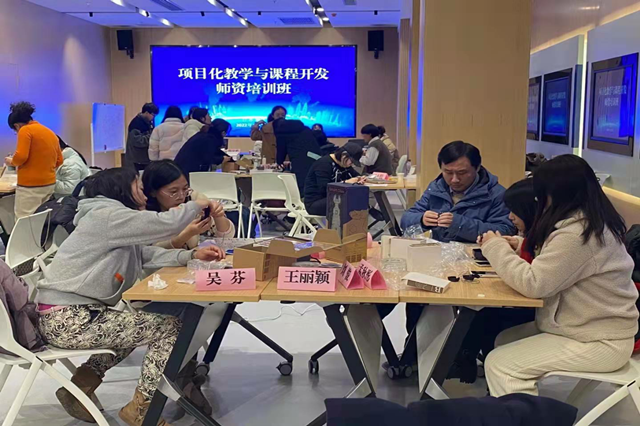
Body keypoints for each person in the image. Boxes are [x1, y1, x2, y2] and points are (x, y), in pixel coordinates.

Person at [35, 167, 224, 425]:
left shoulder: (107, 216)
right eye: (138, 187)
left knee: (138, 326)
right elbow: (165, 224)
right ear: (121, 189)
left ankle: (79, 388)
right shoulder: (107, 216)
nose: (144, 193)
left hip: (69, 315)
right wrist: (196, 205)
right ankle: (141, 409)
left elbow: (143, 254)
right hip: (70, 320)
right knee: (169, 327)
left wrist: (190, 255)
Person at [479, 155, 639, 397]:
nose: (538, 200)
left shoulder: (578, 234)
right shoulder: (589, 223)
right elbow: (563, 264)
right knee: (506, 339)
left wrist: (495, 247)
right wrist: (519, 246)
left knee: (502, 365)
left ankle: (521, 413)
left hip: (599, 341)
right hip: (589, 330)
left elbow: (534, 283)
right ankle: (509, 407)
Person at [448, 179, 537, 384]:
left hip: (548, 313)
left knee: (487, 319)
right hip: (541, 305)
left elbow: (532, 278)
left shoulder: (562, 238)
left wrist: (498, 247)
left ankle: (473, 368)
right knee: (482, 315)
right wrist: (517, 244)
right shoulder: (538, 236)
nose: (510, 216)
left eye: (514, 211)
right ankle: (463, 363)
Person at [401, 141, 515, 242]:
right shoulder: (437, 188)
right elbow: (406, 219)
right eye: (448, 172)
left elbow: (505, 231)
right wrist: (421, 219)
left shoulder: (496, 194)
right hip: (438, 253)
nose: (454, 180)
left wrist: (460, 225)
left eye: (462, 173)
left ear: (477, 168)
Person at [143, 159, 235, 248]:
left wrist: (218, 216)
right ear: (153, 192)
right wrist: (186, 235)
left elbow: (227, 239)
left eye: (185, 189)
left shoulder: (193, 199)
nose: (181, 196)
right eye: (173, 191)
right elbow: (149, 252)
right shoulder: (145, 215)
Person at [5, 102, 63, 218]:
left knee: (25, 220)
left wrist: (11, 161)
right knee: (42, 219)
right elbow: (59, 160)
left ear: (16, 126)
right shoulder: (50, 132)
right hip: (49, 184)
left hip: (30, 186)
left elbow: (21, 157)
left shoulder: (25, 130)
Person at [304, 142, 364, 216]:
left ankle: (365, 218)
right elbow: (324, 188)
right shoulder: (323, 164)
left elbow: (356, 176)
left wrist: (360, 178)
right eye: (351, 161)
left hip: (333, 198)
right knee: (351, 201)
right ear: (344, 155)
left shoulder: (343, 164)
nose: (351, 164)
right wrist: (345, 182)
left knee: (358, 198)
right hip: (315, 203)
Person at [274, 118, 322, 195]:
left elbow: (281, 150)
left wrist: (279, 163)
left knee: (301, 183)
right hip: (316, 157)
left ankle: (303, 200)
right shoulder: (305, 128)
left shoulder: (281, 132)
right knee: (314, 181)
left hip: (300, 160)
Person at [124, 103, 158, 170]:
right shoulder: (136, 123)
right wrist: (152, 136)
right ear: (147, 112)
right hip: (137, 160)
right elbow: (138, 141)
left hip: (143, 159)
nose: (153, 117)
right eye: (153, 115)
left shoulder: (148, 123)